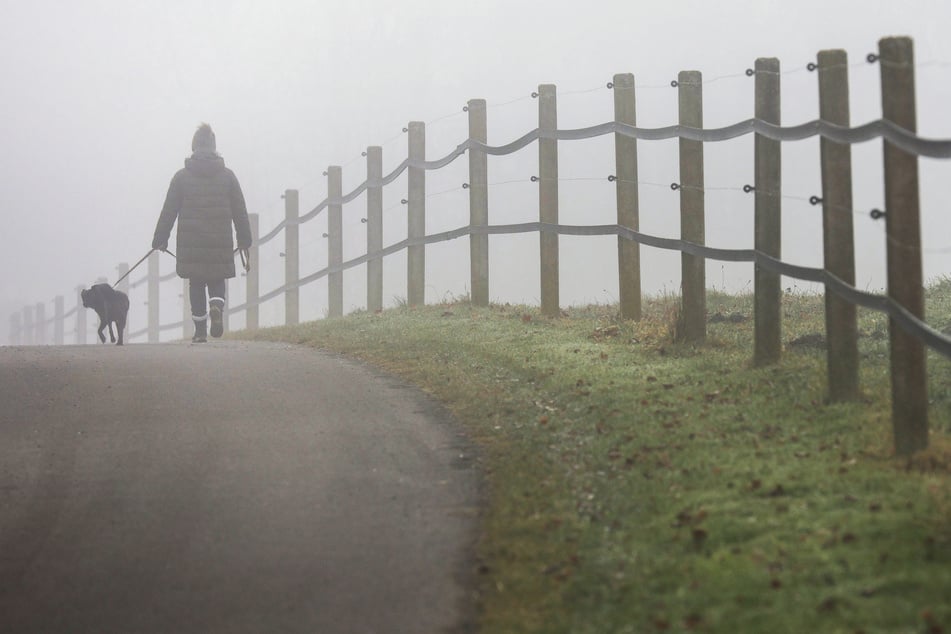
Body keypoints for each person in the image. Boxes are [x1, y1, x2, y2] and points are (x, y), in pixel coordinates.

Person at [152, 123, 252, 343]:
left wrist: (160, 238)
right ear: (214, 147)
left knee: (196, 282)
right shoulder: (228, 176)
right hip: (219, 239)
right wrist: (245, 238)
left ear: (194, 147)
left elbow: (169, 210)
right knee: (216, 278)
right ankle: (216, 305)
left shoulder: (181, 177)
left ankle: (199, 332)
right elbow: (239, 209)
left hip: (191, 241)